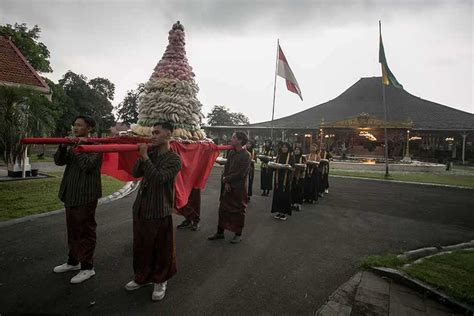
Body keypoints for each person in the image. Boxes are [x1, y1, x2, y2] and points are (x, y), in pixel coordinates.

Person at [124, 122, 182, 301]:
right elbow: (135, 173)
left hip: (159, 209)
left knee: (160, 248)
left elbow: (158, 179)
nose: (153, 136)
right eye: (152, 133)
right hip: (141, 207)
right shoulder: (150, 153)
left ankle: (160, 280)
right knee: (141, 246)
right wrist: (143, 156)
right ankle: (142, 277)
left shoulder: (174, 159)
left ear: (168, 134)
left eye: (157, 133)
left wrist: (145, 157)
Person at [53, 115, 103, 284]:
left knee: (85, 230)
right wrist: (62, 146)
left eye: (80, 126)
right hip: (70, 192)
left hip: (86, 194)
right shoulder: (72, 143)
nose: (75, 128)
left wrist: (76, 147)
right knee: (73, 229)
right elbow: (59, 162)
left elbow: (88, 166)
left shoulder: (96, 145)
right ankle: (73, 261)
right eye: (74, 125)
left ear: (89, 129)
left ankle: (88, 267)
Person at [208, 132, 251, 244]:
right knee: (223, 209)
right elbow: (227, 168)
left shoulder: (246, 155)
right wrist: (226, 181)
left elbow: (241, 173)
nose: (231, 139)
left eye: (233, 137)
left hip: (238, 188)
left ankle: (238, 234)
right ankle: (220, 232)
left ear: (240, 141)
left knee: (238, 211)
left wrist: (227, 180)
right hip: (227, 185)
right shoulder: (231, 152)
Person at [270, 142, 295, 221]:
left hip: (286, 179)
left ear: (288, 148)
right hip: (278, 179)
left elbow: (293, 168)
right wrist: (272, 166)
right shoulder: (279, 156)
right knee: (278, 195)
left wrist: (288, 167)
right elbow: (275, 166)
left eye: (286, 147)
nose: (284, 148)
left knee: (285, 195)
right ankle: (278, 211)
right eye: (283, 147)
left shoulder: (291, 157)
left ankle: (284, 213)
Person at [291, 146, 306, 212]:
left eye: (298, 150)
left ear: (300, 151)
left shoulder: (303, 158)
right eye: (295, 150)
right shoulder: (292, 157)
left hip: (300, 177)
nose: (296, 151)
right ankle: (292, 203)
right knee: (293, 189)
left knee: (299, 190)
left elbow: (304, 166)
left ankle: (298, 204)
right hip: (293, 176)